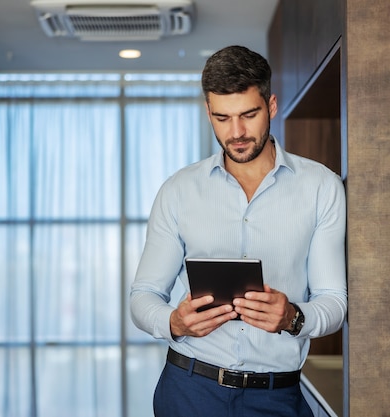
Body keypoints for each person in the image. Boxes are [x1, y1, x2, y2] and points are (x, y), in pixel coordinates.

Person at [130, 45, 347, 417]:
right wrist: (173, 322)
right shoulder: (178, 190)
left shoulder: (321, 187)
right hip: (188, 390)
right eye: (222, 118)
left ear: (271, 106)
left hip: (277, 397)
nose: (237, 133)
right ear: (208, 113)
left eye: (249, 114)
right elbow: (143, 295)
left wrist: (293, 318)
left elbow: (334, 303)